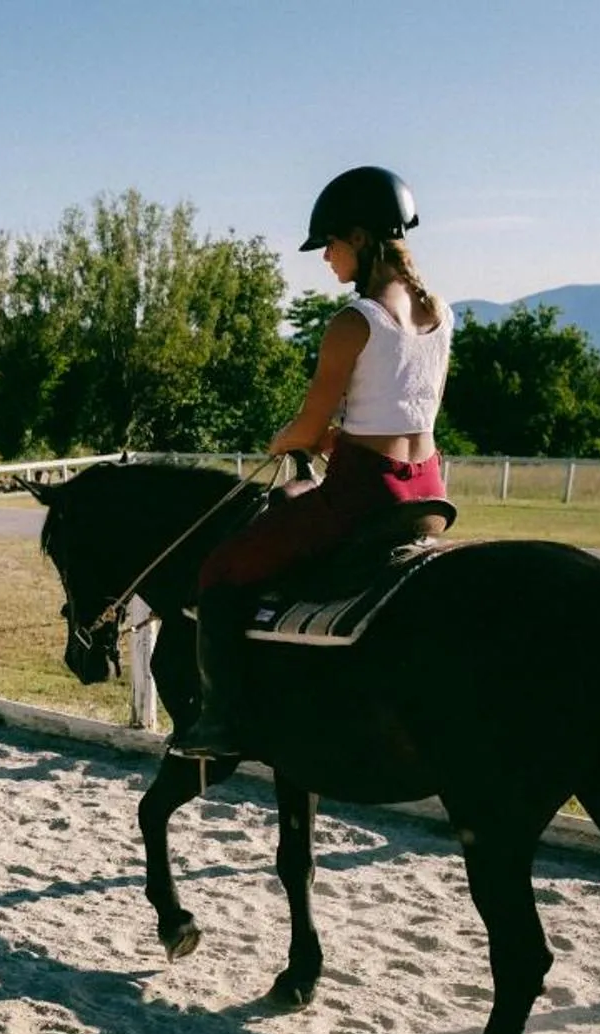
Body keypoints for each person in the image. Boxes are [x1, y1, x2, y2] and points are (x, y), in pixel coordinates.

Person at [167, 165, 455, 761]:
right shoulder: (440, 314)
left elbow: (304, 422)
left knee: (220, 571)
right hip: (428, 490)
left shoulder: (355, 322)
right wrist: (338, 439)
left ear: (358, 238)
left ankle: (219, 722)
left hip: (366, 496)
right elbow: (403, 409)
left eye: (329, 244)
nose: (326, 257)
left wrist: (290, 439)